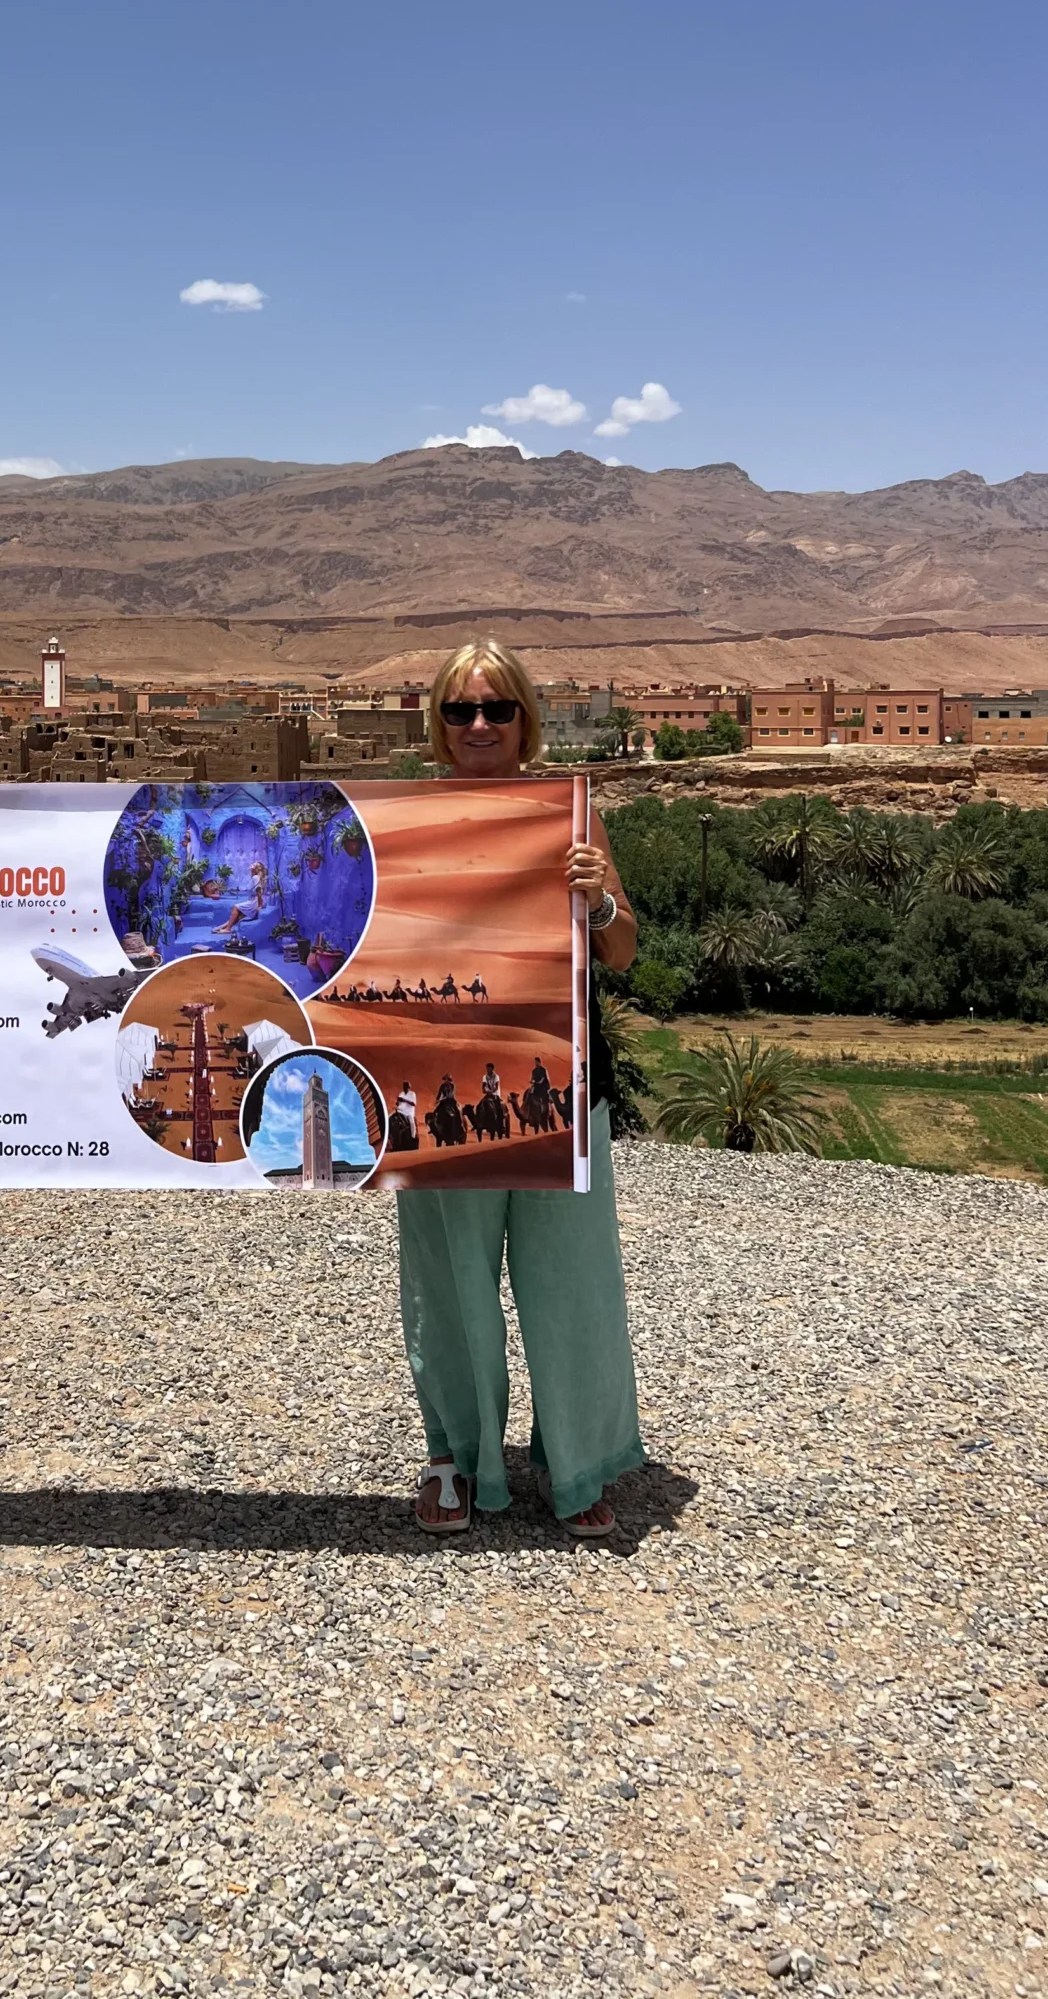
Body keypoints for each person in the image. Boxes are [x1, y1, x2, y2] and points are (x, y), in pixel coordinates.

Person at [400, 639, 645, 1542]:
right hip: (442, 1096)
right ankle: (458, 1459)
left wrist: (600, 900)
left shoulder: (568, 816)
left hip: (561, 1090)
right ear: (438, 723)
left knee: (570, 1283)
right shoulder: (404, 821)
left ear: (524, 720)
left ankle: (577, 1463)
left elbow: (623, 951)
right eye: (460, 709)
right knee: (450, 1286)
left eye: (497, 708)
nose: (479, 724)